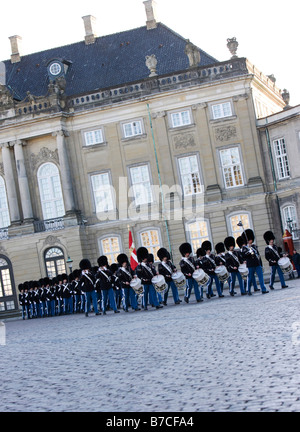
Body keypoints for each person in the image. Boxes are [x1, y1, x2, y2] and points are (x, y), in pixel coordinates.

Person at [241, 229, 269, 295]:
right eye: (249, 239)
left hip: (257, 263)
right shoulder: (244, 248)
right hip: (250, 264)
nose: (250, 240)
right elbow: (244, 256)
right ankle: (248, 290)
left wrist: (261, 264)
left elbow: (258, 255)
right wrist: (248, 252)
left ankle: (263, 289)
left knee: (261, 277)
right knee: (250, 278)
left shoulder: (254, 246)